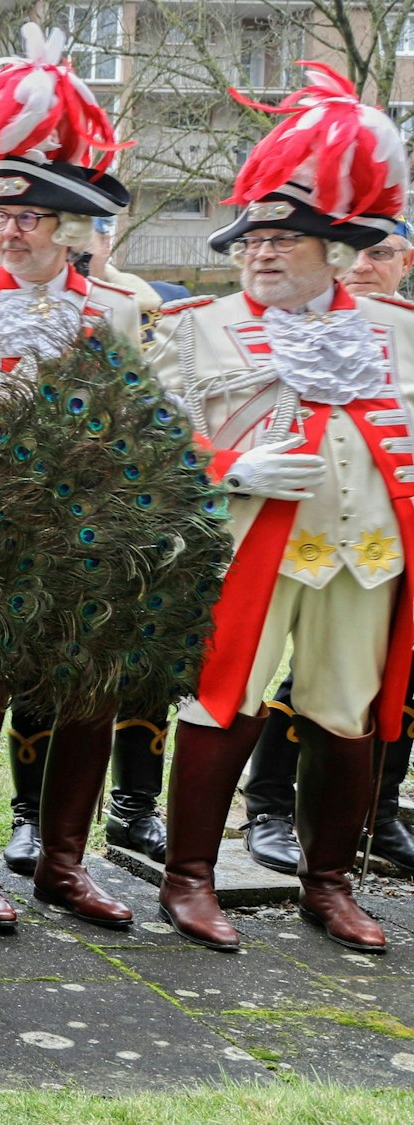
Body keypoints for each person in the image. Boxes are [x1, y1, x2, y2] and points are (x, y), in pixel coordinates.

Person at [150, 64, 414, 955]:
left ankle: (329, 881)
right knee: (218, 704)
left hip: (365, 554)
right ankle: (189, 877)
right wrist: (229, 464)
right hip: (246, 551)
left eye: (284, 239)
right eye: (250, 240)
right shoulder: (198, 327)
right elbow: (149, 451)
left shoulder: (396, 331)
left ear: (335, 249)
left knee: (349, 714)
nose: (259, 253)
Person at [0, 26, 149, 931]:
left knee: (89, 694)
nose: (11, 230)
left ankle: (63, 861)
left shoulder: (120, 309)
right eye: (3, 216)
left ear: (67, 228)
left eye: (30, 218)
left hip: (84, 523)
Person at [242, 215, 414, 878]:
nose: (365, 266)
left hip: (383, 541)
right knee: (277, 680)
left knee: (381, 685)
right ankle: (267, 807)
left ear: (406, 261)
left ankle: (381, 809)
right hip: (292, 532)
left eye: (383, 253)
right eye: (355, 253)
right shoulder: (305, 327)